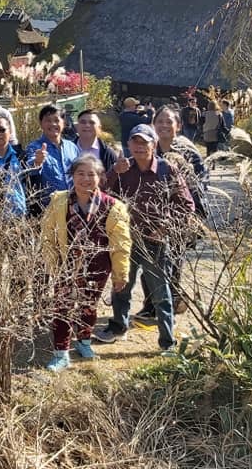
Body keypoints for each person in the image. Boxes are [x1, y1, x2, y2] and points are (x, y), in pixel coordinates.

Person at [95, 124, 195, 354]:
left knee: (161, 293)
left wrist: (165, 227)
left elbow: (186, 204)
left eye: (145, 142)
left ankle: (167, 341)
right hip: (126, 240)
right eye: (135, 142)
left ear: (154, 145)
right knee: (121, 285)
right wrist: (112, 173)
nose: (140, 147)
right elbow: (100, 195)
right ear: (129, 144)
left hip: (156, 243)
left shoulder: (166, 169)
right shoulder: (123, 168)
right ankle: (119, 326)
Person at [41, 154, 132, 371]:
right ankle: (61, 352)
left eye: (91, 174)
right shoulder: (59, 201)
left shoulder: (113, 207)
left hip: (98, 267)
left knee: (88, 306)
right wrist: (53, 265)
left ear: (100, 177)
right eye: (80, 173)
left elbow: (121, 243)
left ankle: (84, 341)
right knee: (62, 307)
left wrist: (121, 274)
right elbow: (48, 235)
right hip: (67, 265)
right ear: (72, 176)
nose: (85, 179)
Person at [131, 105, 209, 322]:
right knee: (148, 261)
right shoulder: (146, 148)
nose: (164, 125)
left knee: (172, 261)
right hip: (149, 216)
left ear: (179, 126)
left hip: (177, 218)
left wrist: (186, 215)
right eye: (160, 121)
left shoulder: (188, 152)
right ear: (153, 125)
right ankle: (150, 305)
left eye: (169, 122)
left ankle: (170, 303)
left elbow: (199, 186)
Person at [24, 104, 80, 211]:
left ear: (64, 123)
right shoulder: (34, 147)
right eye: (48, 120)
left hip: (73, 207)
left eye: (56, 120)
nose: (53, 124)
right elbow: (29, 168)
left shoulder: (72, 147)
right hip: (47, 208)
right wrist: (37, 162)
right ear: (41, 123)